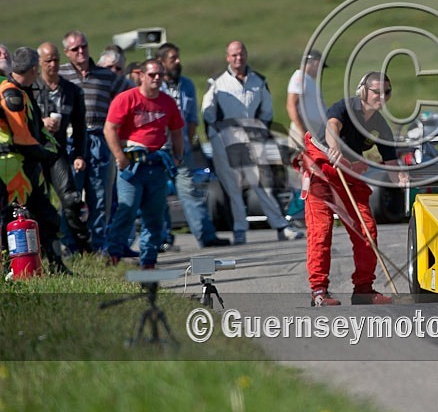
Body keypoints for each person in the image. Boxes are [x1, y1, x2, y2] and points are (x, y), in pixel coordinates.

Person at [303, 71, 408, 306]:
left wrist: (401, 179)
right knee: (321, 231)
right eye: (376, 91)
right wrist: (334, 148)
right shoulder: (345, 107)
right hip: (322, 170)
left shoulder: (381, 126)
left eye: (387, 92)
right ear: (363, 91)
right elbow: (332, 126)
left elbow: (391, 163)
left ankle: (363, 289)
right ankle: (319, 290)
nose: (382, 96)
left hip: (348, 174)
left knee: (367, 229)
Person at [202, 40, 304, 245]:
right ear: (227, 57)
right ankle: (240, 229)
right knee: (233, 188)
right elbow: (207, 112)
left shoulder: (259, 80)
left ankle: (281, 227)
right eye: (233, 55)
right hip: (225, 141)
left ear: (246, 55)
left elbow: (267, 111)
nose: (238, 58)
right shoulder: (217, 82)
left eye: (241, 54)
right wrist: (216, 136)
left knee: (263, 184)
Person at [103, 58, 184, 269]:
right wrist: (119, 156)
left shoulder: (167, 102)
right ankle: (114, 253)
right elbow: (109, 128)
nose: (156, 78)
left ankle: (148, 260)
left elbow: (176, 131)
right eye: (152, 74)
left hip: (156, 165)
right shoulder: (127, 98)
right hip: (132, 165)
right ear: (141, 75)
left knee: (154, 215)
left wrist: (178, 156)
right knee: (127, 209)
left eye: (160, 74)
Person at [0, 47, 71, 274]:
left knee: (46, 217)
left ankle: (55, 265)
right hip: (12, 167)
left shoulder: (24, 91)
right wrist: (48, 155)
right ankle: (10, 269)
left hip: (26, 167)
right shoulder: (11, 93)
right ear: (34, 69)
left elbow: (35, 130)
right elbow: (23, 139)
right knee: (11, 219)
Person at [59, 30, 129, 251]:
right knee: (70, 194)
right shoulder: (60, 75)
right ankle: (70, 246)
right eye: (75, 49)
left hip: (99, 137)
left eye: (84, 46)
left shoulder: (105, 75)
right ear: (66, 52)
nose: (81, 52)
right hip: (71, 139)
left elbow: (130, 98)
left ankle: (98, 246)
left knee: (99, 196)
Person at [157, 42, 230, 248]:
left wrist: (186, 144)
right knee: (158, 195)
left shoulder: (187, 85)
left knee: (190, 192)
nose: (178, 61)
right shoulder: (155, 86)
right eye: (173, 58)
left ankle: (206, 237)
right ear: (161, 62)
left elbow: (191, 119)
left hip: (182, 148)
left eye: (178, 57)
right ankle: (161, 239)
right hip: (160, 149)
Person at [34, 42, 91, 254]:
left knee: (71, 199)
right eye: (48, 60)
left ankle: (83, 246)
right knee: (38, 201)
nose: (53, 64)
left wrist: (79, 154)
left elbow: (79, 127)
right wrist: (41, 122)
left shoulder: (72, 91)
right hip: (34, 151)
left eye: (56, 59)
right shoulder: (30, 89)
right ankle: (45, 249)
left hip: (57, 151)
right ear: (39, 63)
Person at [286, 49, 327, 152]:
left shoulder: (308, 80)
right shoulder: (300, 77)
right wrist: (302, 131)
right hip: (303, 128)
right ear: (316, 63)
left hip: (312, 130)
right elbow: (291, 105)